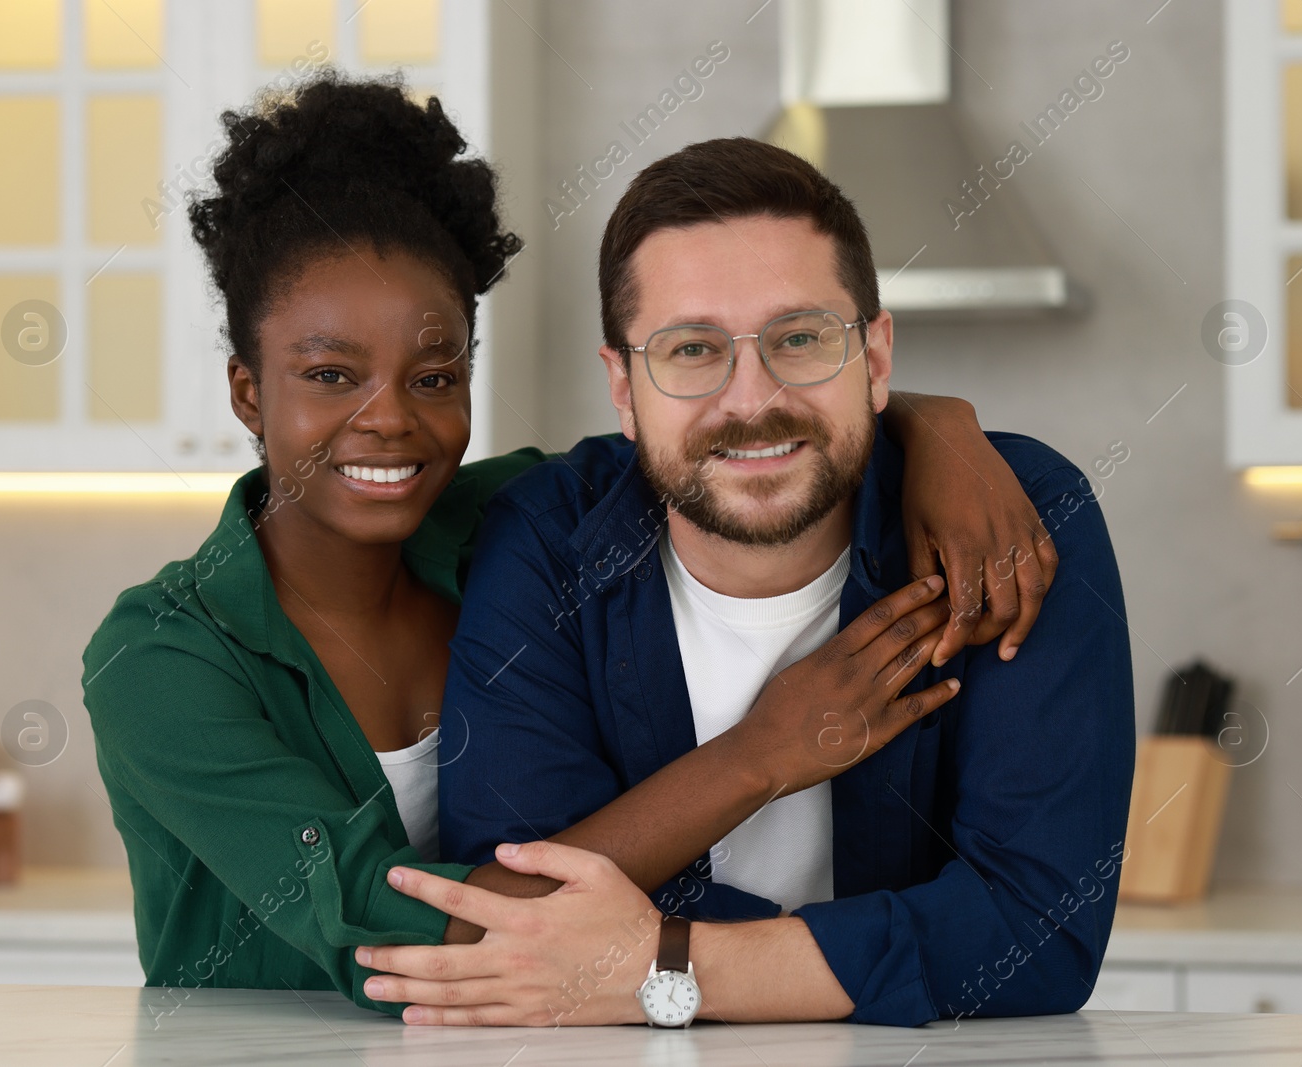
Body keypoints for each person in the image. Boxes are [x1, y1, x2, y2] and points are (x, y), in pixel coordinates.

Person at [81, 75, 1058, 1022]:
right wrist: (760, 754)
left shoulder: (512, 520)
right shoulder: (160, 659)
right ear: (248, 390)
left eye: (433, 377)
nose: (388, 422)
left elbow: (712, 431)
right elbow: (410, 939)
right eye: (331, 374)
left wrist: (937, 428)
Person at [362, 137, 1135, 1028]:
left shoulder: (1016, 520)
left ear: (877, 358)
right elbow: (512, 910)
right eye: (692, 350)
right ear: (622, 384)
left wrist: (664, 964)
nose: (751, 398)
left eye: (800, 338)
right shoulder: (545, 543)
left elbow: (1040, 936)